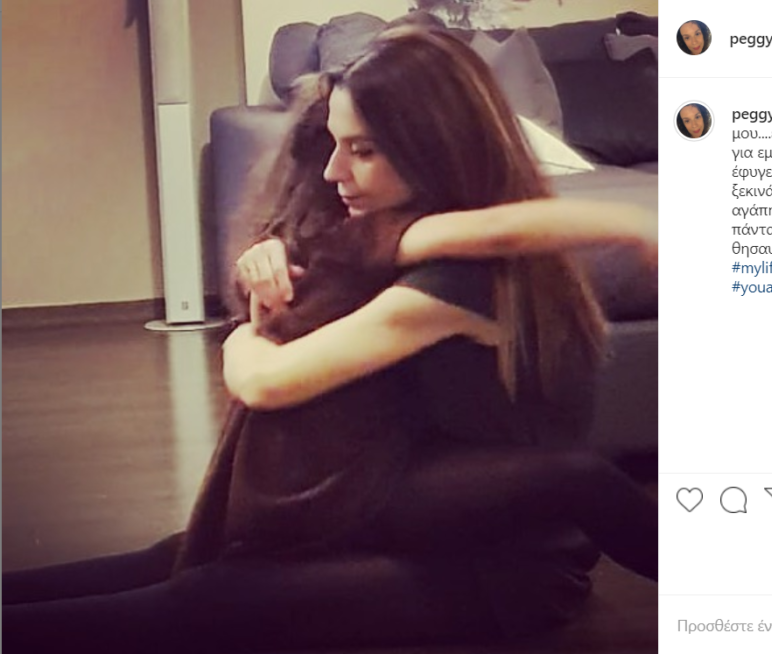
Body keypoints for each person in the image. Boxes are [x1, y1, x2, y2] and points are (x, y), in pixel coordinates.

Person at [3, 27, 657, 653]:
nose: (333, 171)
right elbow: (330, 256)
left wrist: (244, 335)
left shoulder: (457, 281)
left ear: (437, 147)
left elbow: (268, 381)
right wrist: (266, 261)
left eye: (363, 151)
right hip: (411, 504)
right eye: (337, 145)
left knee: (211, 598)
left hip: (497, 569)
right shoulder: (421, 233)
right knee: (184, 554)